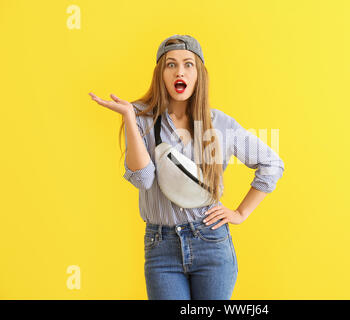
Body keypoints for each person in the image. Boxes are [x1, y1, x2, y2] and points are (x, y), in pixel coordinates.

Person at [88, 34, 284, 300]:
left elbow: (272, 164)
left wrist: (240, 212)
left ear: (199, 74)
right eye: (171, 64)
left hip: (211, 244)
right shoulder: (142, 119)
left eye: (188, 64)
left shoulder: (219, 124)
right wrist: (130, 121)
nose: (179, 71)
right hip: (161, 247)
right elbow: (143, 180)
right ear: (161, 73)